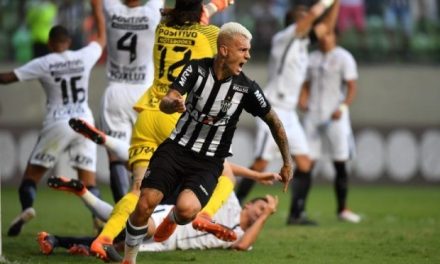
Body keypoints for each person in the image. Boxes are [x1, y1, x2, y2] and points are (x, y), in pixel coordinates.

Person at [73, 1, 237, 261]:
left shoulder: (162, 28)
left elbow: (188, 14)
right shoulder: (209, 34)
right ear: (200, 14)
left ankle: (104, 238)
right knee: (226, 174)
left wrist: (207, 6)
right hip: (178, 115)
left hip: (149, 112)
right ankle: (203, 215)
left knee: (138, 190)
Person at [122, 21, 293, 264]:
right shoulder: (196, 70)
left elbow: (274, 122)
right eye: (243, 50)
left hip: (208, 162)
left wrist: (287, 162)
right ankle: (129, 260)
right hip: (176, 148)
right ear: (224, 50)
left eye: (248, 50)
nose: (248, 55)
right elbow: (167, 100)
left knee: (186, 211)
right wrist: (172, 104)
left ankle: (171, 220)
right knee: (144, 204)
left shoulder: (246, 89)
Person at [0, 0, 106, 237]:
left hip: (59, 121)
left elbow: (8, 77)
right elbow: (101, 40)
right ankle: (99, 221)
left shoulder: (44, 62)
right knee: (89, 182)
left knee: (31, 175)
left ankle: (27, 207)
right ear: (68, 42)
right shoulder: (84, 56)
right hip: (85, 122)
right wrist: (98, 10)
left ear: (49, 44)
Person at [235, 0, 340, 225]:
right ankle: (232, 205)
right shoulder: (283, 39)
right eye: (304, 17)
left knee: (304, 163)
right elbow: (314, 14)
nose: (311, 20)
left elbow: (326, 27)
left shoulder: (302, 43)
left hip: (290, 113)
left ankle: (296, 214)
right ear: (296, 22)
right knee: (261, 165)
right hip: (272, 109)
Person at [37, 171, 279, 260]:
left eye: (262, 214)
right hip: (171, 218)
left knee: (116, 245)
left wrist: (267, 213)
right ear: (247, 205)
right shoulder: (230, 200)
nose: (259, 213)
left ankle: (77, 203)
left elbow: (242, 246)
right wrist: (257, 177)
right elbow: (226, 167)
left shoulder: (241, 235)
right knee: (133, 228)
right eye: (259, 208)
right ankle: (64, 234)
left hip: (169, 245)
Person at [299, 29, 361, 223]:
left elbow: (351, 87)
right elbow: (306, 85)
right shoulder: (312, 58)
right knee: (307, 162)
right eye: (322, 35)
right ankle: (299, 209)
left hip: (335, 116)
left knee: (340, 161)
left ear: (336, 36)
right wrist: (303, 100)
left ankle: (342, 208)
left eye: (328, 35)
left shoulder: (344, 57)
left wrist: (342, 107)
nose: (324, 38)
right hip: (313, 117)